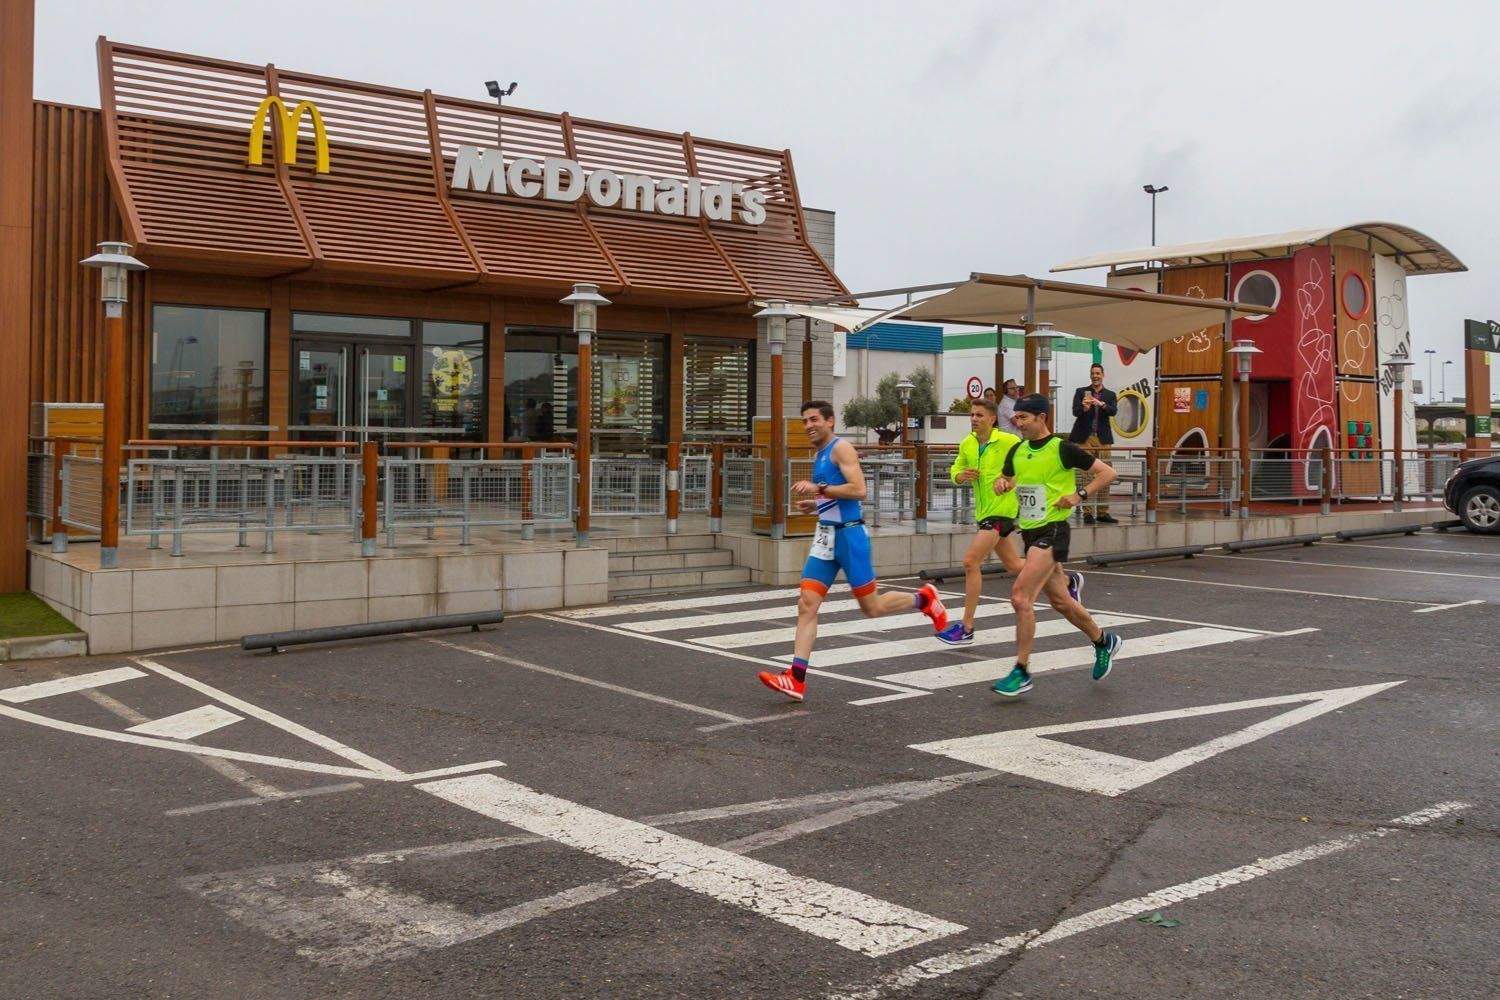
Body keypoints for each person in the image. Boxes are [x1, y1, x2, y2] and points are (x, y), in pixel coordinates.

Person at [758, 400, 949, 702]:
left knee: (871, 608)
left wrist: (819, 490)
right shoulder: (820, 453)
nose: (808, 426)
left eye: (814, 420)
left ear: (830, 421)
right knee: (807, 603)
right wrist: (817, 504)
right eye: (804, 421)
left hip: (850, 537)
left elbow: (859, 490)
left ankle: (923, 599)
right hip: (825, 537)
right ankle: (796, 678)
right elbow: (837, 494)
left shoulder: (840, 449)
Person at [990, 394, 1123, 697]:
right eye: (1016, 418)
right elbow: (1010, 479)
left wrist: (1079, 495)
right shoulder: (1018, 451)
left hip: (1054, 530)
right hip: (1030, 532)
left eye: (1023, 418)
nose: (1017, 423)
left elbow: (1108, 473)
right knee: (1061, 603)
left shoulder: (1062, 449)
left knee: (1021, 597)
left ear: (1041, 418)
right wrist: (1003, 483)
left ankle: (1021, 670)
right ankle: (1104, 640)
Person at [936, 397, 1082, 645]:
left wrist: (1014, 484)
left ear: (992, 419)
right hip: (983, 512)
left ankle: (967, 627)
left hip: (1004, 511)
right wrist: (960, 476)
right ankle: (1068, 580)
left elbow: (1027, 458)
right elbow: (954, 470)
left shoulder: (1008, 441)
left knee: (971, 561)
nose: (974, 419)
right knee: (1015, 565)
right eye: (972, 415)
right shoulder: (967, 444)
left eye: (979, 415)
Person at [1069, 363, 1119, 524]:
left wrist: (1101, 404)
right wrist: (1084, 407)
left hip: (1103, 438)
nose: (1095, 376)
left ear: (1103, 375)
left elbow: (1113, 411)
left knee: (1106, 474)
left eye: (1098, 373)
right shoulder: (1080, 392)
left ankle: (1103, 511)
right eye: (1093, 373)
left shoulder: (1110, 395)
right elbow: (1075, 412)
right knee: (1086, 475)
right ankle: (1088, 512)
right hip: (1085, 438)